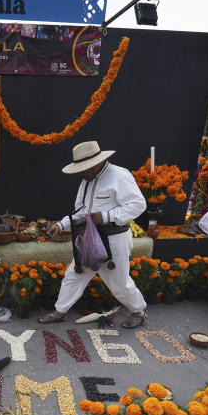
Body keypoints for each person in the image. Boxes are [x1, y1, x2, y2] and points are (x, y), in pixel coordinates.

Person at [37, 141, 148, 329]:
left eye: (83, 169)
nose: (81, 173)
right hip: (89, 236)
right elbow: (80, 210)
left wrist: (106, 216)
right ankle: (60, 311)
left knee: (119, 282)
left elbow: (138, 205)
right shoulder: (86, 180)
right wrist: (61, 224)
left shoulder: (120, 176)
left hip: (114, 239)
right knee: (75, 273)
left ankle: (138, 311)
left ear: (96, 163)